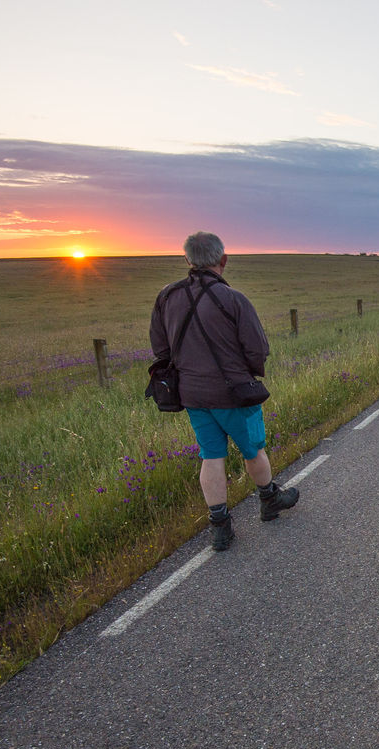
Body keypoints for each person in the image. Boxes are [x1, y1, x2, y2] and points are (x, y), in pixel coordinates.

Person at [149, 232, 298, 552]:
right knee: (253, 449)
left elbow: (160, 348)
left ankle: (220, 527)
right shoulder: (233, 299)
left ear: (187, 260)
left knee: (211, 455)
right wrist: (248, 372)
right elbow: (257, 348)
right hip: (233, 393)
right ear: (224, 260)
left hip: (192, 395)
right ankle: (269, 501)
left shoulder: (167, 297)